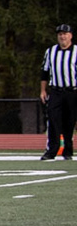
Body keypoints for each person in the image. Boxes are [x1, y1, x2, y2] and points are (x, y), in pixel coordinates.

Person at [41, 22, 75, 161]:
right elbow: (44, 72)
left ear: (70, 36)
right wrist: (43, 90)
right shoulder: (50, 51)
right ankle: (52, 151)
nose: (62, 37)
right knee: (53, 120)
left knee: (70, 121)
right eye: (60, 34)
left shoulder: (76, 52)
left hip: (73, 92)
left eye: (65, 34)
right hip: (56, 91)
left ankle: (67, 150)